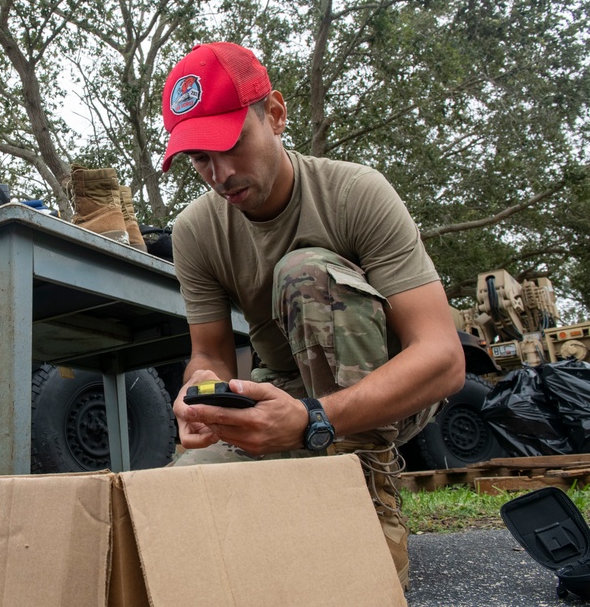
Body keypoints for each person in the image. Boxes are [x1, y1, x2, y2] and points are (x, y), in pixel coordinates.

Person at [161, 42, 465, 591]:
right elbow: (208, 354)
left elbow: (442, 359)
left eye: (232, 143)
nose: (220, 173)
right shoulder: (195, 231)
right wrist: (200, 394)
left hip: (384, 387)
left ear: (274, 115)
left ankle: (367, 485)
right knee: (177, 508)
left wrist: (313, 421)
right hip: (280, 391)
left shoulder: (356, 192)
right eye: (200, 158)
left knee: (305, 272)